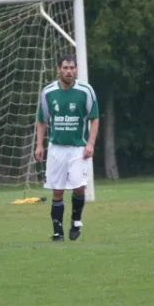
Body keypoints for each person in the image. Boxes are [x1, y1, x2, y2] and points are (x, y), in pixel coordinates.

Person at [34, 55, 99, 241]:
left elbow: (94, 118)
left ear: (76, 70)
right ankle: (57, 232)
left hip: (78, 148)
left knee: (79, 188)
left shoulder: (86, 91)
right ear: (58, 69)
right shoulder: (48, 92)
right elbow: (42, 120)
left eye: (72, 68)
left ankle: (76, 220)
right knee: (57, 191)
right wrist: (39, 145)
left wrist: (91, 144)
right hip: (56, 148)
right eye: (65, 68)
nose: (69, 71)